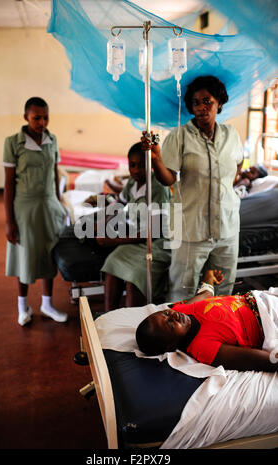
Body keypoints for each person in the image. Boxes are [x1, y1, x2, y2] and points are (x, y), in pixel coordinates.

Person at [141, 76, 244, 301]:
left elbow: (238, 163)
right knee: (182, 289)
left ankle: (218, 334)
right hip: (190, 229)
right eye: (196, 103)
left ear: (219, 103)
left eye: (207, 101)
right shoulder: (180, 137)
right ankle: (176, 335)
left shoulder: (231, 135)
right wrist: (157, 159)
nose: (201, 107)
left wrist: (226, 185)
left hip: (226, 227)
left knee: (223, 290)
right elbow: (168, 179)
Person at [3, 97, 68, 326]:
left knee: (48, 253)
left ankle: (47, 304)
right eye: (36, 118)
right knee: (25, 255)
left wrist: (60, 203)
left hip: (48, 205)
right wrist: (9, 221)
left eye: (45, 117)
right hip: (25, 208)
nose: (42, 122)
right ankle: (23, 307)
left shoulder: (53, 139)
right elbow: (9, 184)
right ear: (26, 117)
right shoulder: (13, 143)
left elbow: (55, 173)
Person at [136, 270, 278, 372]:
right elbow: (256, 360)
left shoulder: (182, 309)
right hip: (270, 320)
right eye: (171, 325)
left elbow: (205, 295)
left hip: (262, 297)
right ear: (171, 346)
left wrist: (209, 278)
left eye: (166, 313)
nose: (174, 316)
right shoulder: (203, 348)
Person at [99, 142, 172, 311]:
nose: (137, 170)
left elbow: (154, 231)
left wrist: (114, 240)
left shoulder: (158, 188)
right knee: (112, 263)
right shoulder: (132, 183)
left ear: (151, 165)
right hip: (139, 239)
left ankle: (132, 326)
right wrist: (103, 224)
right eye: (133, 165)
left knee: (134, 278)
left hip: (158, 243)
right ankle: (109, 318)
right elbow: (119, 204)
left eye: (142, 165)